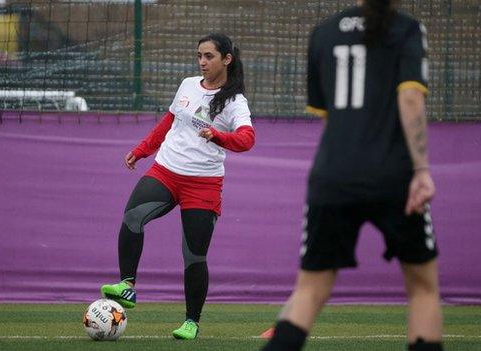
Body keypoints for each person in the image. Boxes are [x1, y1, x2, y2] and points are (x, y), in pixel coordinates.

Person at [262, 1, 443, 350]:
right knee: (422, 289)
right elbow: (410, 98)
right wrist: (421, 170)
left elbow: (328, 115)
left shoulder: (323, 33)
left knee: (310, 291)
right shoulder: (406, 29)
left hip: (333, 176)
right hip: (395, 178)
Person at [100, 33, 255, 340]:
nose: (202, 62)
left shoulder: (235, 101)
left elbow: (247, 139)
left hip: (203, 185)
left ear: (227, 60)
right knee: (133, 217)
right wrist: (142, 149)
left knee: (194, 256)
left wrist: (218, 136)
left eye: (209, 56)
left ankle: (191, 322)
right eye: (199, 55)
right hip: (166, 171)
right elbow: (168, 122)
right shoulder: (187, 84)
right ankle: (127, 287)